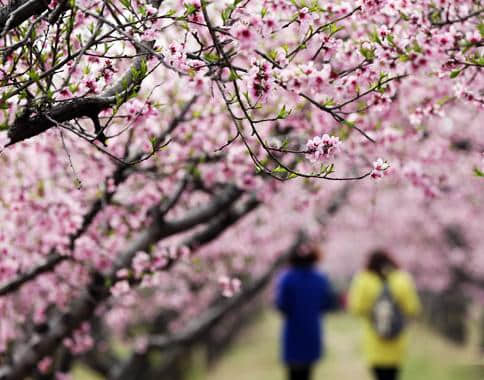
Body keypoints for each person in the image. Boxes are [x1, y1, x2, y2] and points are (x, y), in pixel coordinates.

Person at [348, 249, 421, 380]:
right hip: (396, 340)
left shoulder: (363, 279)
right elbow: (413, 308)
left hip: (374, 339)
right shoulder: (402, 278)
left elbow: (355, 308)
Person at [275, 243, 338, 380]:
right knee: (308, 372)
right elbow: (327, 304)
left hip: (293, 330)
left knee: (293, 373)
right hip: (312, 330)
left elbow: (281, 305)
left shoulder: (286, 278)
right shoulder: (320, 279)